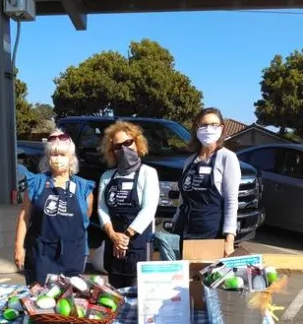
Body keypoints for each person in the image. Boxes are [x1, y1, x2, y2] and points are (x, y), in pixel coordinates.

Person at [155, 107, 241, 259]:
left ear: (222, 128)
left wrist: (229, 239)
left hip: (210, 232)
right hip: (183, 229)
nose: (208, 129)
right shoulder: (189, 161)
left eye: (214, 125)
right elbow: (183, 199)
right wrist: (174, 223)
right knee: (181, 277)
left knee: (202, 277)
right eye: (203, 125)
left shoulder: (227, 158)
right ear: (196, 129)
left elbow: (231, 201)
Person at [15, 128, 95, 284]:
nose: (58, 159)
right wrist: (18, 247)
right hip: (41, 254)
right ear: (47, 157)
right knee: (40, 301)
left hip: (73, 255)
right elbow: (25, 215)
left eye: (62, 155)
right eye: (54, 155)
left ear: (71, 158)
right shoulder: (35, 183)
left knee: (69, 303)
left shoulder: (84, 187)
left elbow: (86, 217)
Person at [98, 121, 160, 288]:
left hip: (137, 245)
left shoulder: (148, 173)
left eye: (128, 143)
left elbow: (149, 209)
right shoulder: (107, 176)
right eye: (118, 146)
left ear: (137, 142)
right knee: (114, 296)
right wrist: (113, 235)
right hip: (113, 245)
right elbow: (102, 208)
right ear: (112, 151)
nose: (124, 149)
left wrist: (125, 237)